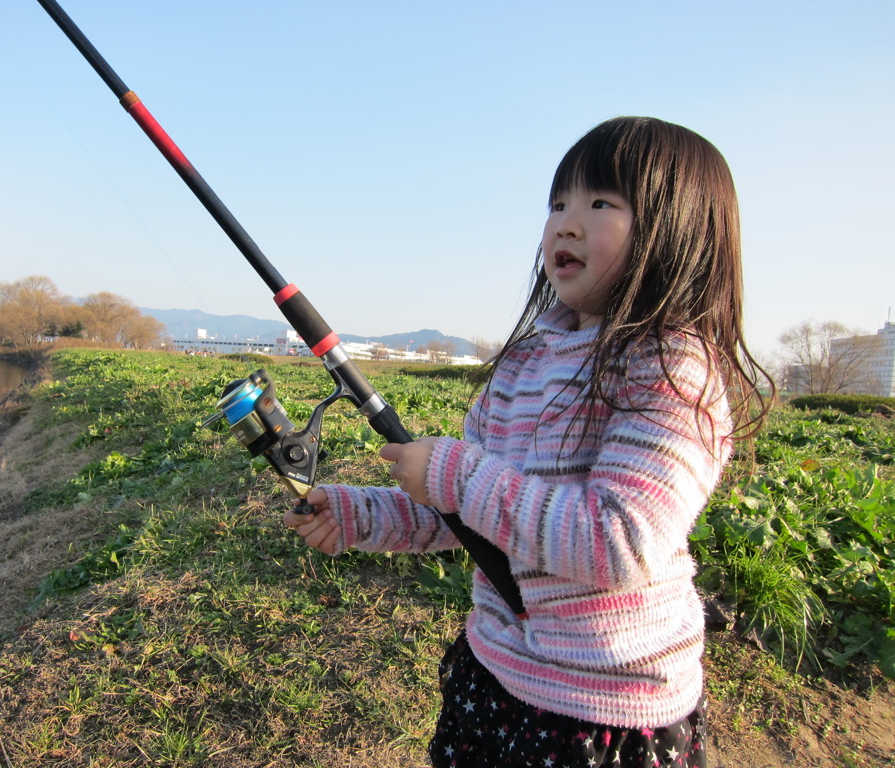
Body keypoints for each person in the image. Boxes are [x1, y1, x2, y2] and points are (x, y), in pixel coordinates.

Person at [284, 116, 772, 767]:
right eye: (558, 203)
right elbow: (472, 516)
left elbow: (619, 540)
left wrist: (458, 474)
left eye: (600, 203)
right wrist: (360, 514)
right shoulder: (520, 369)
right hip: (496, 678)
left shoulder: (670, 369)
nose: (565, 223)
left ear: (677, 232)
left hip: (605, 713)